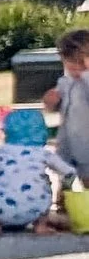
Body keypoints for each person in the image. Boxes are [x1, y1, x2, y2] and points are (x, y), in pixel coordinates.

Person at [50, 28, 89, 194]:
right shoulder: (67, 81)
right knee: (64, 174)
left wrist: (86, 74)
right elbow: (57, 101)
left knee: (86, 178)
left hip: (86, 142)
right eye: (69, 65)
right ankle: (62, 201)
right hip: (67, 139)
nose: (75, 71)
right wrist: (52, 99)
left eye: (80, 65)